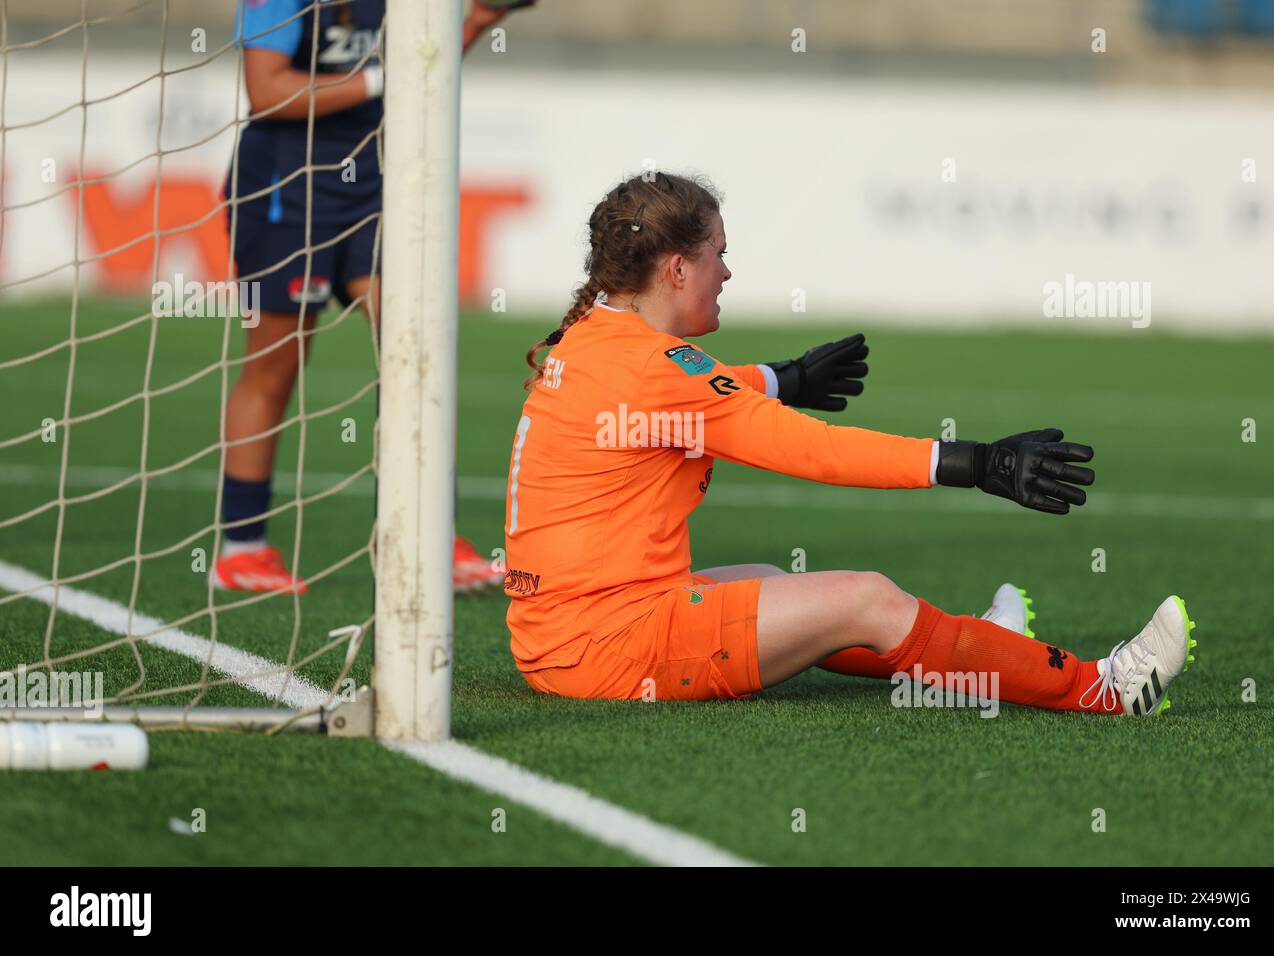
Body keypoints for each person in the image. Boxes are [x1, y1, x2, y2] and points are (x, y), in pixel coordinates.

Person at [501, 172, 1197, 715]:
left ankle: (986, 651)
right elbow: (813, 451)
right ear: (677, 270)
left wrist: (785, 377)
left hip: (560, 634)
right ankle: (1102, 688)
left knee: (772, 582)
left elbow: (683, 396)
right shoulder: (653, 369)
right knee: (866, 598)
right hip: (606, 649)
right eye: (719, 254)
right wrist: (974, 463)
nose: (728, 273)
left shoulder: (596, 339)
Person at [216, 0, 531, 594]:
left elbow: (427, 67)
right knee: (276, 364)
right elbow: (267, 91)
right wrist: (390, 75)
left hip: (375, 187)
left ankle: (425, 539)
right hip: (285, 191)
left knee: (416, 352)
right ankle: (242, 547)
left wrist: (481, 18)